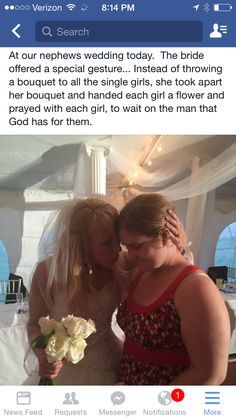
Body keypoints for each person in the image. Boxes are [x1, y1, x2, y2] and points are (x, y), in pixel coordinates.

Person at [27, 197, 184, 385]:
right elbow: (34, 326)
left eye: (117, 241)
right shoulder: (48, 271)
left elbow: (163, 266)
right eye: (106, 242)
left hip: (113, 366)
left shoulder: (122, 263)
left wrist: (177, 246)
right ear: (82, 243)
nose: (117, 249)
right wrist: (43, 357)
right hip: (66, 373)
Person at [117, 193, 230, 385]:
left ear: (166, 235)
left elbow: (211, 373)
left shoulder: (195, 287)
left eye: (136, 246)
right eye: (127, 246)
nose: (130, 254)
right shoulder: (141, 271)